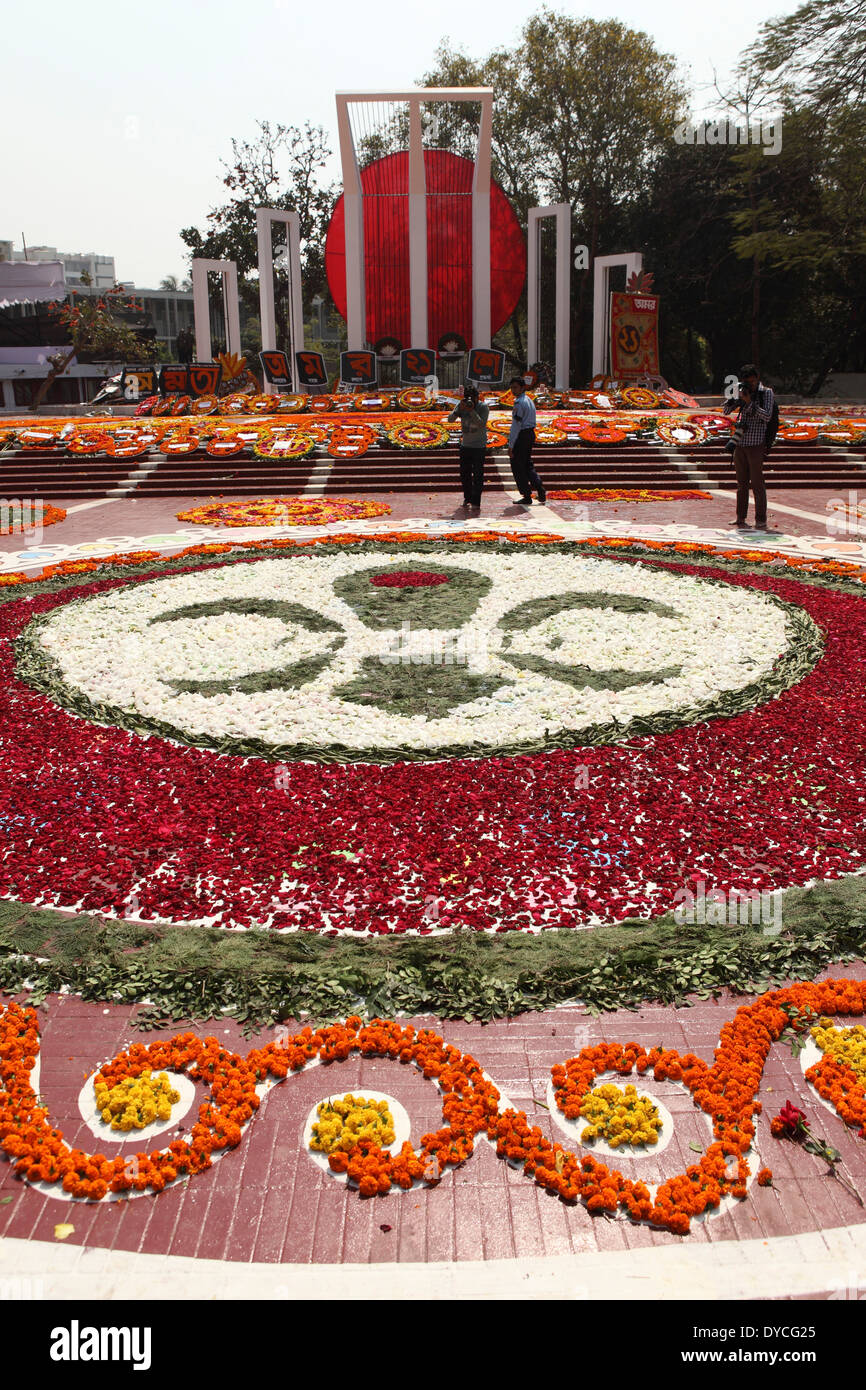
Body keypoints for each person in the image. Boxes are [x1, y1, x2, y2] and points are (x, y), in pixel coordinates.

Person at [723, 364, 775, 530]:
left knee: (757, 483)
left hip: (756, 443)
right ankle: (740, 517)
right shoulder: (740, 389)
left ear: (757, 379)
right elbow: (725, 411)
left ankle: (761, 519)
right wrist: (734, 399)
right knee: (741, 483)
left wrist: (749, 402)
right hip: (740, 443)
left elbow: (767, 416)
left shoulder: (766, 393)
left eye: (752, 382)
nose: (750, 385)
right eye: (747, 382)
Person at [448, 385, 489, 509]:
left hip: (479, 446)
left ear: (477, 397)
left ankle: (476, 501)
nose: (470, 401)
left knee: (478, 475)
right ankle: (467, 497)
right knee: (464, 474)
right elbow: (450, 420)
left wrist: (471, 410)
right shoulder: (462, 405)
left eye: (473, 398)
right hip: (466, 445)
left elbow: (481, 424)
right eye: (468, 398)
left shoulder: (483, 407)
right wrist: (458, 410)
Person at [508, 376, 546, 504]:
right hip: (529, 434)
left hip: (522, 436)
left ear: (522, 387)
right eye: (512, 387)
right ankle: (539, 488)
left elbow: (516, 425)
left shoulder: (519, 403)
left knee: (518, 466)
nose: (513, 390)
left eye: (515, 387)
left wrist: (511, 445)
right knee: (527, 464)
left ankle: (526, 494)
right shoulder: (528, 400)